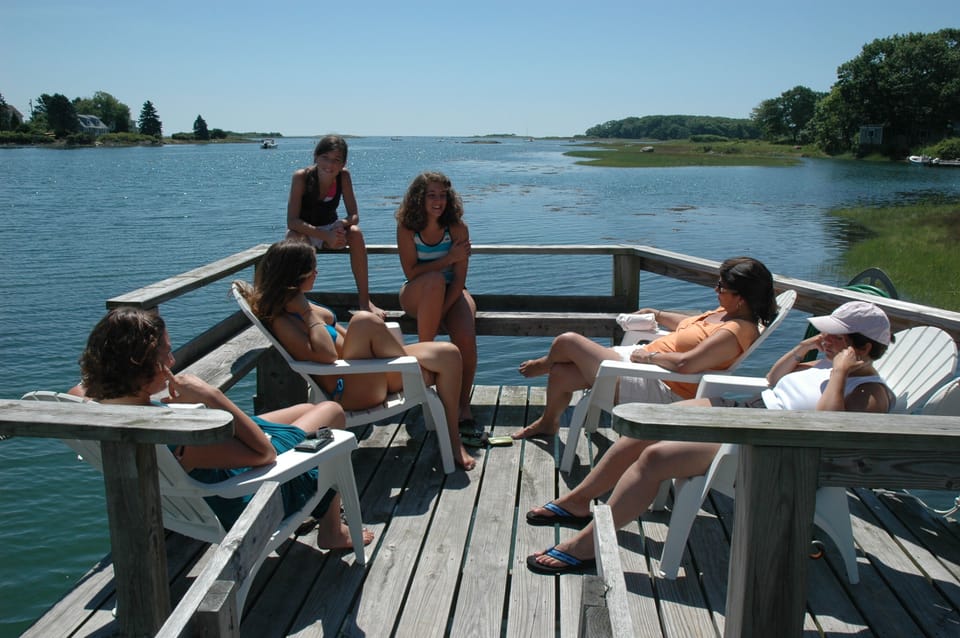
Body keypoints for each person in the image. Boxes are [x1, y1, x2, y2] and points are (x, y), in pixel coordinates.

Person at [526, 300, 895, 574]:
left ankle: (586, 546)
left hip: (771, 447)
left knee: (655, 459)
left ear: (862, 348)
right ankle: (579, 501)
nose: (825, 339)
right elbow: (772, 382)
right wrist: (803, 350)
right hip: (747, 414)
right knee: (650, 426)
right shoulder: (824, 364)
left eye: (835, 336)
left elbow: (826, 430)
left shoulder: (868, 392)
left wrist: (842, 373)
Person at [74, 306, 374, 550]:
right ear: (140, 366)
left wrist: (147, 392)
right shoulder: (178, 442)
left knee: (306, 410)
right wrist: (211, 396)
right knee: (331, 413)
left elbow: (79, 390)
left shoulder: (109, 408)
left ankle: (329, 518)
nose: (173, 359)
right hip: (245, 493)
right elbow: (264, 453)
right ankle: (333, 531)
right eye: (165, 353)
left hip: (196, 480)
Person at [238, 239, 476, 470]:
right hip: (350, 389)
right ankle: (423, 387)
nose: (316, 273)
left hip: (366, 371)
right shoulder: (284, 321)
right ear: (296, 275)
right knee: (363, 320)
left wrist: (308, 309)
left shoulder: (297, 304)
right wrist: (307, 313)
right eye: (312, 269)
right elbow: (327, 356)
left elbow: (344, 337)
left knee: (449, 353)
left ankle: (453, 439)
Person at [512, 256, 778, 440]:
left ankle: (542, 365)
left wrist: (650, 356)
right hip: (640, 366)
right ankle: (548, 423)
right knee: (561, 374)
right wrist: (658, 313)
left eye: (721, 287)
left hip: (661, 387)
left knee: (568, 341)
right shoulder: (726, 312)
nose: (715, 289)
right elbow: (687, 324)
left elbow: (686, 364)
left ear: (741, 298)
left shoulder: (735, 332)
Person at [395, 171, 479, 436]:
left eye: (443, 195)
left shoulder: (458, 229)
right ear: (419, 198)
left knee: (465, 336)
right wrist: (447, 259)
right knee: (432, 281)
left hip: (452, 293)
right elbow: (412, 273)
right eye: (431, 195)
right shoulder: (407, 228)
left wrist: (441, 310)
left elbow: (459, 280)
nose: (438, 201)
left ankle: (462, 403)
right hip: (417, 293)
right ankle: (426, 378)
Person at [286, 135, 384, 319]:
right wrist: (325, 236)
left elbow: (354, 215)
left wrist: (342, 224)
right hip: (305, 231)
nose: (330, 165)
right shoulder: (301, 177)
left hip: (330, 228)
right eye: (325, 158)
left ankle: (365, 301)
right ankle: (296, 302)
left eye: (336, 160)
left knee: (355, 233)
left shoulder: (343, 177)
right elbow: (292, 221)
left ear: (343, 163)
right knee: (293, 237)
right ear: (315, 156)